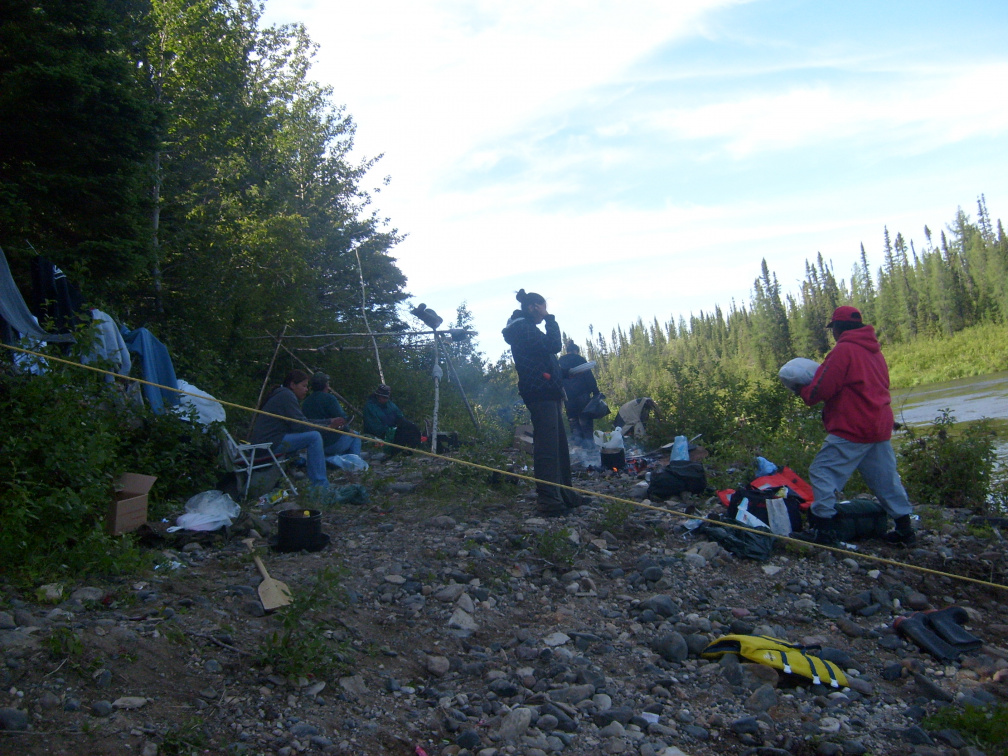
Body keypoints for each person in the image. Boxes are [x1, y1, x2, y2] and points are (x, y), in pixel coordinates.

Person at [797, 306, 915, 546]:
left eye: (833, 329)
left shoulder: (843, 351)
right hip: (879, 425)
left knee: (822, 472)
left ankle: (825, 530)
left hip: (852, 426)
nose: (833, 334)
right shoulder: (875, 352)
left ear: (838, 329)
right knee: (885, 479)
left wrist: (801, 390)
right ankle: (905, 529)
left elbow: (821, 388)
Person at [502, 289, 581, 516]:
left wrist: (564, 372)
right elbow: (554, 345)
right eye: (543, 308)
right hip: (540, 393)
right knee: (547, 447)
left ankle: (564, 493)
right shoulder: (522, 328)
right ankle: (548, 500)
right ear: (534, 307)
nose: (545, 312)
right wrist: (551, 319)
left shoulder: (526, 330)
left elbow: (542, 360)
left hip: (548, 391)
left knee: (559, 447)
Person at [249, 369, 341, 490]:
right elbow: (301, 426)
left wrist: (328, 421)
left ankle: (317, 482)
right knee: (314, 437)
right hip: (267, 444)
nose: (306, 389)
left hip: (269, 442)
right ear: (293, 385)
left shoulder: (284, 394)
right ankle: (320, 486)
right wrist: (327, 427)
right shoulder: (286, 395)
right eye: (303, 386)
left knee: (313, 435)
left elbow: (302, 421)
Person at [302, 372, 361, 457]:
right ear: (326, 385)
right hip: (330, 443)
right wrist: (348, 430)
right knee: (356, 435)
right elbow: (342, 420)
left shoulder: (306, 401)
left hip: (313, 444)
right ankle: (355, 464)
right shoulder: (329, 398)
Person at [558, 341, 600, 445]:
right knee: (586, 420)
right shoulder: (580, 359)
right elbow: (588, 377)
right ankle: (590, 446)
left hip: (568, 397)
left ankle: (579, 448)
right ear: (576, 351)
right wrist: (596, 392)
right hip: (583, 395)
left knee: (573, 421)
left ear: (567, 351)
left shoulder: (560, 361)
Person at [362, 384, 422, 448]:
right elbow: (374, 427)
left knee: (412, 427)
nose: (386, 399)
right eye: (384, 397)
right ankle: (397, 451)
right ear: (378, 396)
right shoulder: (370, 407)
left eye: (387, 398)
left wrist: (404, 423)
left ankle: (416, 446)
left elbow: (399, 416)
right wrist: (391, 431)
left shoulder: (390, 404)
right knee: (400, 434)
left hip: (392, 430)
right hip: (380, 433)